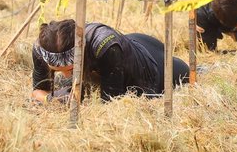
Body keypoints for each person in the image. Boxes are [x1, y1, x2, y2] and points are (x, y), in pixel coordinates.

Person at [31, 20, 189, 103]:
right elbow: (38, 91)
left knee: (187, 74)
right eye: (58, 70)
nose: (65, 76)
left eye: (72, 69)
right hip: (126, 47)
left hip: (153, 66)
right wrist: (50, 100)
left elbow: (111, 103)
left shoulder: (105, 46)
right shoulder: (41, 49)